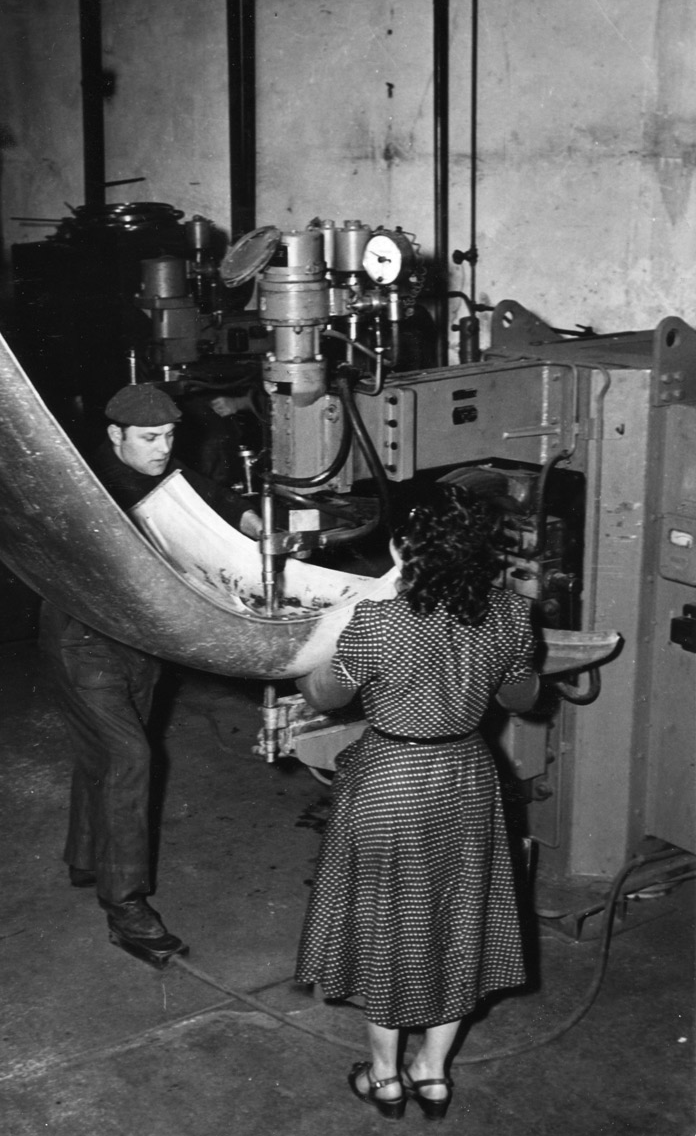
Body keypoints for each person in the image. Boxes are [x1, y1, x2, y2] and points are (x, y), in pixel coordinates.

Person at [293, 483, 539, 1121]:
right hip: (466, 778)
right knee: (459, 920)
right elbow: (520, 698)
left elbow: (323, 695)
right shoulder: (510, 614)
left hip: (391, 779)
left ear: (404, 549)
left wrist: (334, 629)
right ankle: (432, 1074)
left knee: (386, 926)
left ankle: (384, 1078)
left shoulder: (379, 620)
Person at [39, 383, 262, 967]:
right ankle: (125, 906)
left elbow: (200, 491)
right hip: (85, 641)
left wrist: (246, 516)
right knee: (129, 757)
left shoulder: (157, 466)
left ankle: (87, 858)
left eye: (168, 436)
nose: (162, 448)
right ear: (115, 435)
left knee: (105, 753)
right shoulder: (87, 486)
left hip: (140, 641)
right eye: (149, 438)